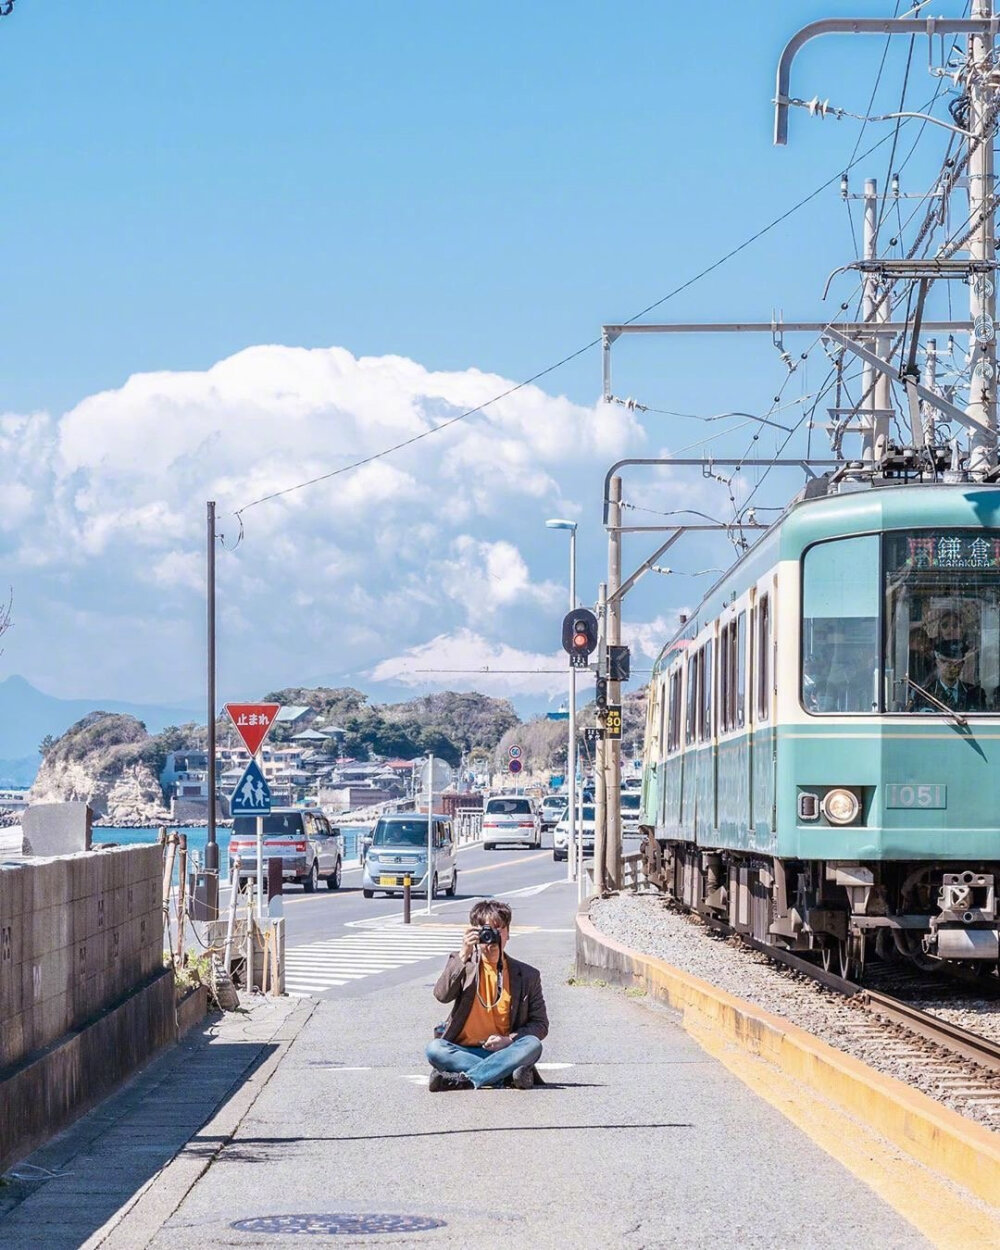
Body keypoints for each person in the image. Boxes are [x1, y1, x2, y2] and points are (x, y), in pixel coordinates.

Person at [425, 898, 548, 1091]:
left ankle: (464, 1079)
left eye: (498, 929)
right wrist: (463, 954)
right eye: (485, 930)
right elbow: (441, 995)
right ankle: (505, 1075)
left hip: (507, 1050)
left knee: (532, 1044)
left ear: (507, 933)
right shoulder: (464, 965)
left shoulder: (527, 975)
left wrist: (509, 1040)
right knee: (435, 1049)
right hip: (465, 1050)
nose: (491, 936)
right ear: (474, 933)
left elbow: (540, 1025)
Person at [908, 639, 986, 712]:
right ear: (937, 662)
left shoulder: (975, 693)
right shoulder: (923, 694)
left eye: (956, 663)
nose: (950, 667)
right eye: (944, 662)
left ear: (962, 665)